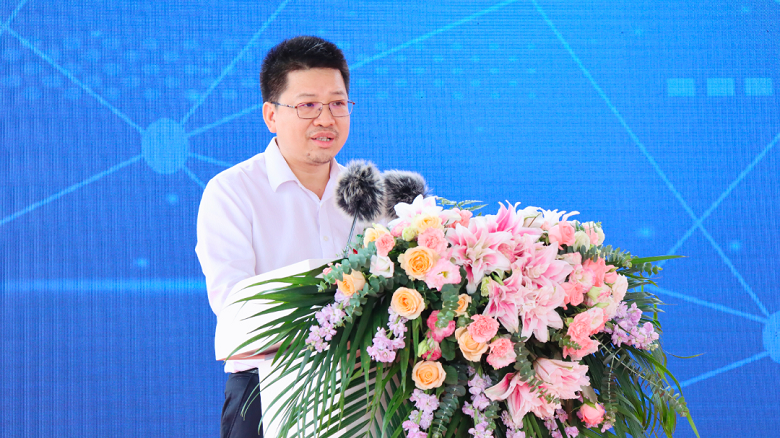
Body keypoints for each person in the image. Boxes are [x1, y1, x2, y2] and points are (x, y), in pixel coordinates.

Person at [195, 36, 357, 438]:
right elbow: (235, 307)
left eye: (337, 104)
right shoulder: (232, 191)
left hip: (362, 396)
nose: (326, 119)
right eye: (308, 105)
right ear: (271, 115)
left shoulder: (372, 195)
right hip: (266, 393)